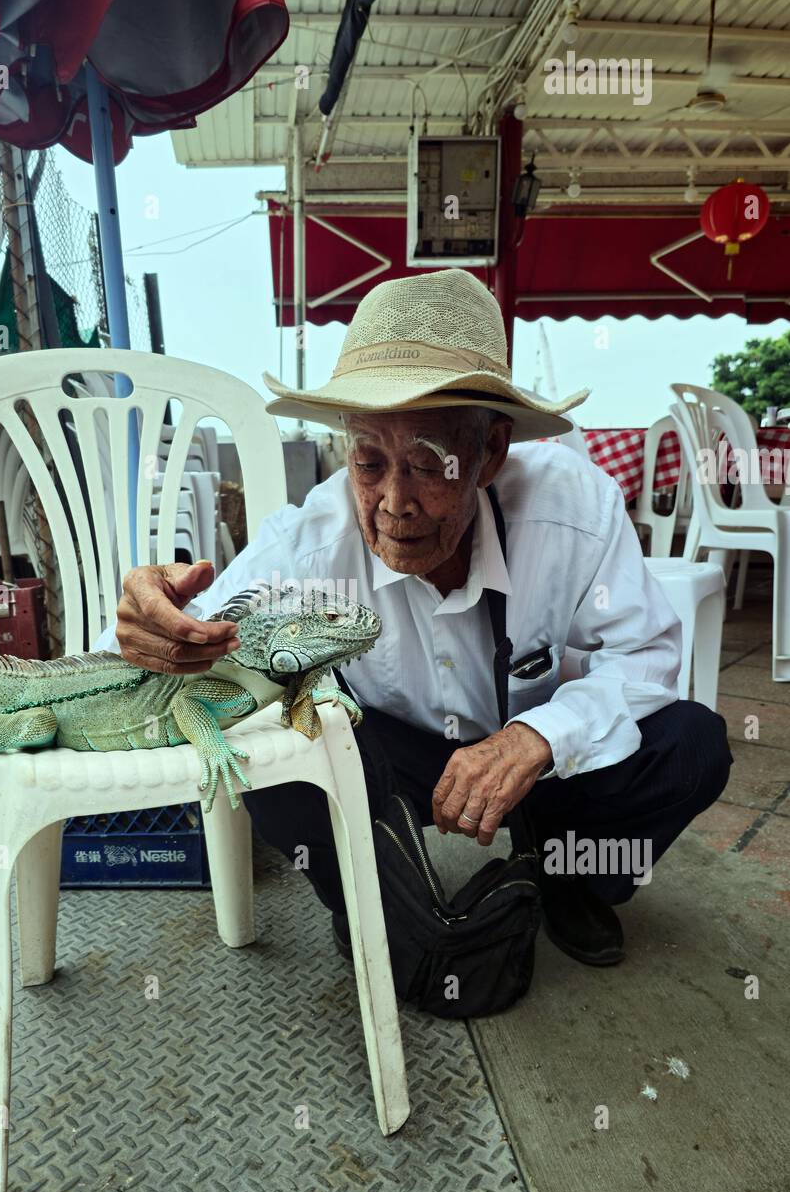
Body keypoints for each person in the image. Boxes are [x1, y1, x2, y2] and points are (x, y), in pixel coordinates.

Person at [101, 269, 732, 968]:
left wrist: (537, 737)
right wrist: (144, 624)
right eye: (369, 462)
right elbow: (167, 646)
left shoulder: (573, 510)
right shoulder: (309, 542)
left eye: (431, 464)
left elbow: (647, 658)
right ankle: (373, 898)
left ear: (491, 452)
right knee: (276, 756)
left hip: (543, 771)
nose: (394, 502)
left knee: (692, 745)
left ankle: (563, 874)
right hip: (395, 767)